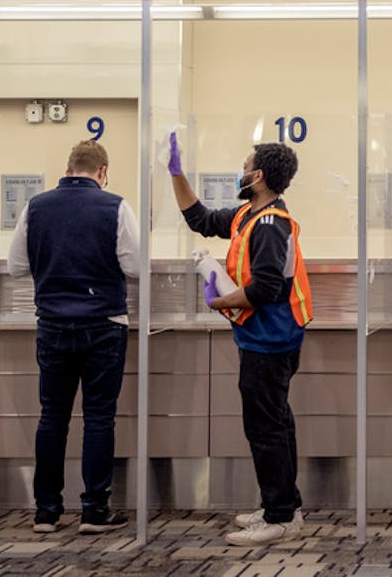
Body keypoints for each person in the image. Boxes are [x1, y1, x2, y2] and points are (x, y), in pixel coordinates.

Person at [167, 133, 313, 547]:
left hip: (271, 341)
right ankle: (281, 505)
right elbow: (200, 219)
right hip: (265, 338)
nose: (241, 171)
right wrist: (176, 174)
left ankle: (281, 517)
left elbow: (265, 287)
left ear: (259, 175)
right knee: (276, 424)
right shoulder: (249, 215)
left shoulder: (269, 225)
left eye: (246, 166)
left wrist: (220, 300)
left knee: (266, 428)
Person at [7, 140, 139, 535]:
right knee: (99, 418)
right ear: (102, 172)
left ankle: (46, 511)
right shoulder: (115, 205)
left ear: (68, 168)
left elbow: (15, 266)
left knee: (53, 417)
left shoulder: (36, 206)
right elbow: (134, 266)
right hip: (104, 324)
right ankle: (94, 511)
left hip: (52, 324)